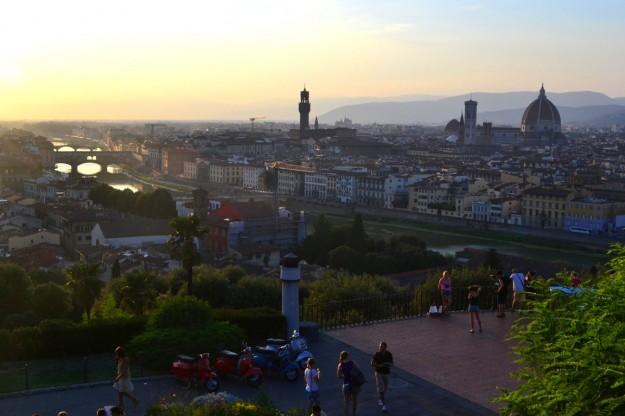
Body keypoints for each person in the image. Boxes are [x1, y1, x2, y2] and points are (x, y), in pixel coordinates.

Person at [371, 341, 393, 412]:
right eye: (380, 347)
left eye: (382, 347)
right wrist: (380, 365)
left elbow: (392, 364)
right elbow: (372, 364)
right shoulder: (376, 354)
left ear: (385, 347)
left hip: (386, 373)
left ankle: (380, 398)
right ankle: (384, 405)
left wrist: (387, 364)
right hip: (378, 373)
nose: (380, 348)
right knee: (381, 388)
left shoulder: (388, 354)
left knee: (385, 388)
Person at [337, 351, 360, 416]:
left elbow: (338, 375)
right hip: (353, 384)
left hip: (346, 384)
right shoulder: (352, 363)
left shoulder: (340, 365)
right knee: (354, 401)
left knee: (346, 402)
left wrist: (344, 376)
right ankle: (354, 414)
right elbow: (358, 370)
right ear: (347, 356)